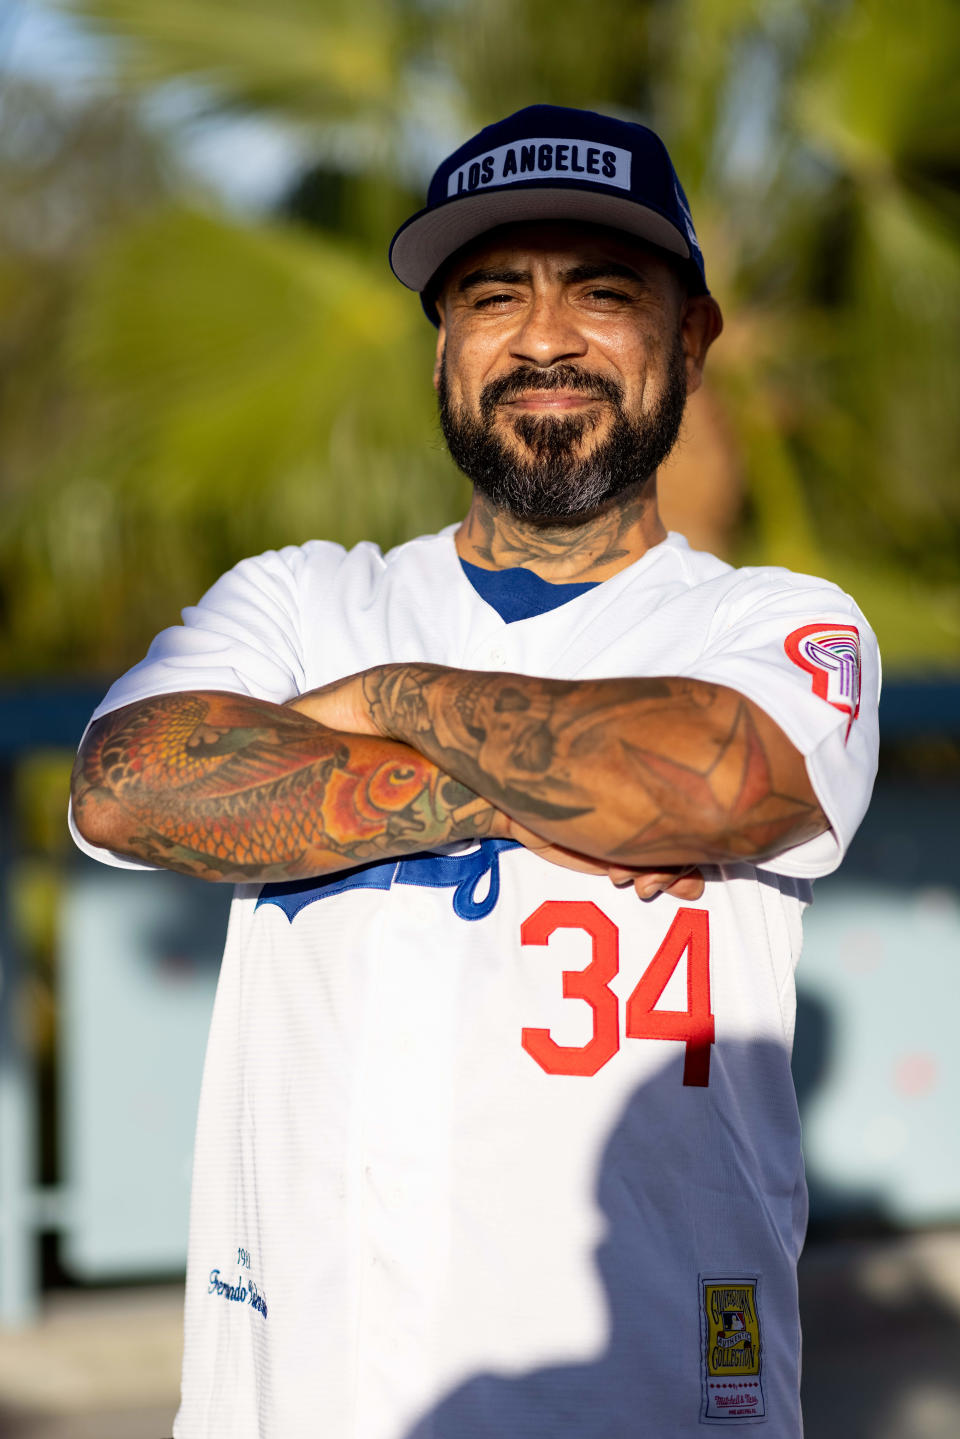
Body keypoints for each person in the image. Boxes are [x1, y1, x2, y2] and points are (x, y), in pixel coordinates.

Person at [70, 105, 879, 1438]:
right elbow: (128, 783)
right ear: (443, 345)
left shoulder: (777, 625)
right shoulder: (298, 599)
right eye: (493, 295)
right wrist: (596, 779)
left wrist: (387, 703)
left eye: (602, 293)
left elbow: (727, 781)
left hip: (658, 1400)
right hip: (313, 1391)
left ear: (691, 338)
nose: (544, 339)